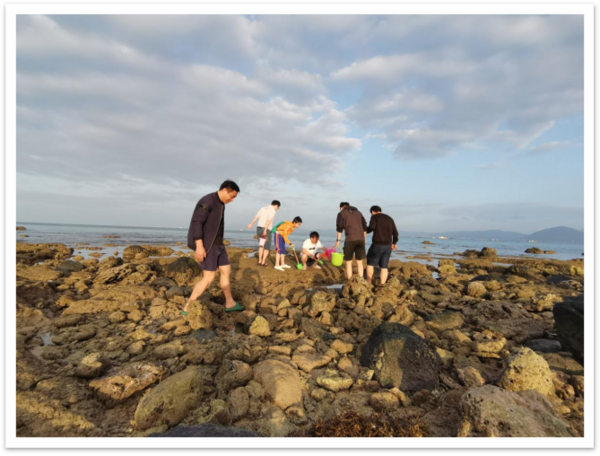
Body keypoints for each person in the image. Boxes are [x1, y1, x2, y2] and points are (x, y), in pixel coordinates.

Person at [182, 180, 243, 315]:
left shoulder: (221, 204)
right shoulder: (207, 201)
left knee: (226, 270)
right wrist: (199, 246)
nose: (232, 200)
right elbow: (197, 222)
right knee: (209, 277)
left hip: (218, 244)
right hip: (208, 245)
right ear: (224, 190)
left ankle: (230, 302)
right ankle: (188, 307)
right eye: (232, 196)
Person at [365, 205, 399, 285]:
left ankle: (369, 282)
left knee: (370, 263)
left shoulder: (374, 217)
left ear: (372, 212)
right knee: (384, 266)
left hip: (377, 244)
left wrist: (364, 230)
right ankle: (382, 284)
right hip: (388, 245)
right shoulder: (390, 219)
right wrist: (394, 243)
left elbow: (372, 227)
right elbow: (395, 233)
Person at [335, 202, 368, 280]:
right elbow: (365, 227)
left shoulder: (341, 213)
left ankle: (350, 280)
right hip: (361, 239)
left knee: (348, 261)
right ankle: (361, 280)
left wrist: (338, 240)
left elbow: (339, 228)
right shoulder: (359, 212)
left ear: (341, 207)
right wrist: (364, 239)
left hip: (350, 239)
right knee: (359, 261)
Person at [246, 200, 281, 266]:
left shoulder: (263, 208)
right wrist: (265, 230)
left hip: (259, 228)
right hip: (266, 229)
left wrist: (251, 224)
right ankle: (263, 261)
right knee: (267, 246)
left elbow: (256, 216)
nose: (277, 209)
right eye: (278, 208)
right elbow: (268, 220)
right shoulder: (273, 210)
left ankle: (259, 261)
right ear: (276, 205)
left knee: (261, 245)